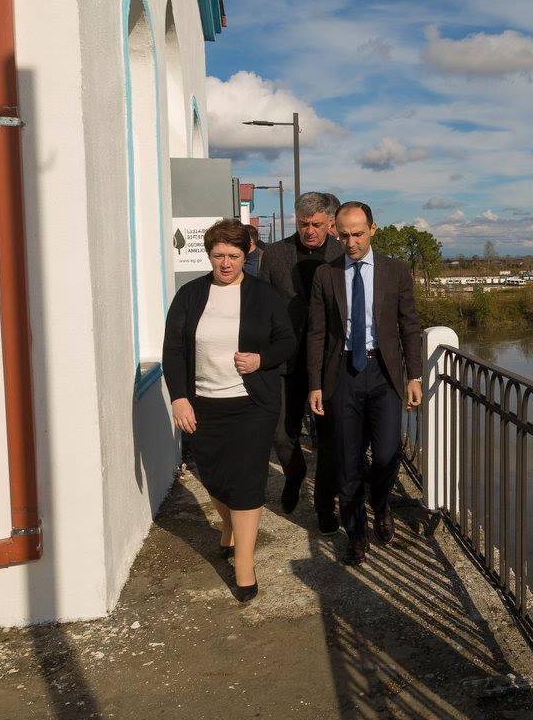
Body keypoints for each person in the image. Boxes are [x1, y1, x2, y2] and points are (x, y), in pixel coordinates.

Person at [164, 218, 295, 602]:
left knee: (247, 479)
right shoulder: (189, 295)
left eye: (233, 256)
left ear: (245, 255)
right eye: (218, 255)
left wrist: (261, 359)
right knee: (214, 476)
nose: (225, 263)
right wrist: (179, 397)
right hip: (204, 404)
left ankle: (244, 565)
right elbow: (173, 349)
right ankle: (228, 525)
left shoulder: (263, 295)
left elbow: (287, 341)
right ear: (209, 255)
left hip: (252, 404)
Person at [307, 201, 425, 565]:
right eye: (344, 235)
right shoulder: (326, 275)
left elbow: (409, 325)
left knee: (388, 453)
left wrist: (415, 376)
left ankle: (381, 502)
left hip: (384, 372)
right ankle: (356, 532)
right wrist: (315, 384)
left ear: (373, 229)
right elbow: (317, 333)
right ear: (335, 233)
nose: (351, 242)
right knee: (348, 459)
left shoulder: (395, 271)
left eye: (358, 234)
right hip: (342, 373)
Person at [258, 191, 345, 528]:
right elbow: (262, 304)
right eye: (303, 223)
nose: (309, 230)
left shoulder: (342, 253)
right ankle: (295, 474)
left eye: (317, 224)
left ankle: (324, 506)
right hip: (286, 360)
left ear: (330, 222)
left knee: (329, 439)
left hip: (329, 360)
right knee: (282, 435)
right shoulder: (274, 254)